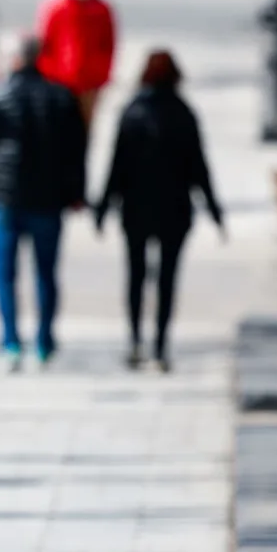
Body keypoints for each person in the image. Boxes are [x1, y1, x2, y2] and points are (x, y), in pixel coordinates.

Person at [93, 50, 223, 373]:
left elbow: (116, 164)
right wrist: (214, 208)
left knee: (136, 275)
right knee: (167, 279)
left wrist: (104, 205)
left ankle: (135, 340)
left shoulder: (132, 113)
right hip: (175, 209)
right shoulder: (183, 114)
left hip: (135, 208)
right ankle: (161, 346)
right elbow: (199, 166)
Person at [0, 35, 87, 372]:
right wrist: (76, 192)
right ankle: (44, 342)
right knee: (46, 272)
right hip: (49, 200)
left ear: (14, 60)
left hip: (8, 198)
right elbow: (76, 151)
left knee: (5, 272)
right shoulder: (61, 96)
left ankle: (10, 341)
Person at [35, 0, 116, 129]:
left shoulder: (101, 9)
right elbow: (44, 42)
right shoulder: (57, 6)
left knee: (83, 128)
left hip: (89, 82)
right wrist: (46, 74)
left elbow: (108, 44)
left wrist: (102, 75)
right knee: (57, 128)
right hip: (59, 80)